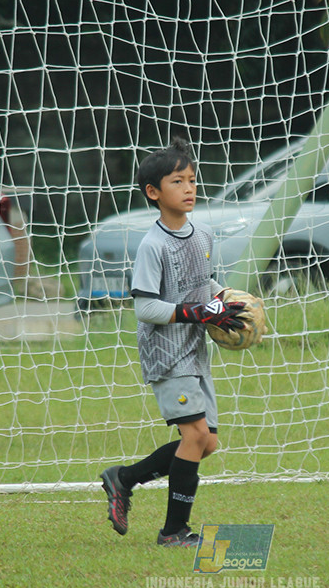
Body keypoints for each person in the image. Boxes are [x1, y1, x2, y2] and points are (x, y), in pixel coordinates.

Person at [99, 137, 246, 548]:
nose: (189, 188)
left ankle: (124, 478)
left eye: (192, 180)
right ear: (153, 192)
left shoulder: (203, 234)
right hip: (167, 355)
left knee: (207, 443)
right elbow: (145, 308)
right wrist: (193, 313)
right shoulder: (153, 245)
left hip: (195, 352)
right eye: (177, 181)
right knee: (195, 437)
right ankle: (173, 532)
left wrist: (224, 300)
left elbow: (202, 285)